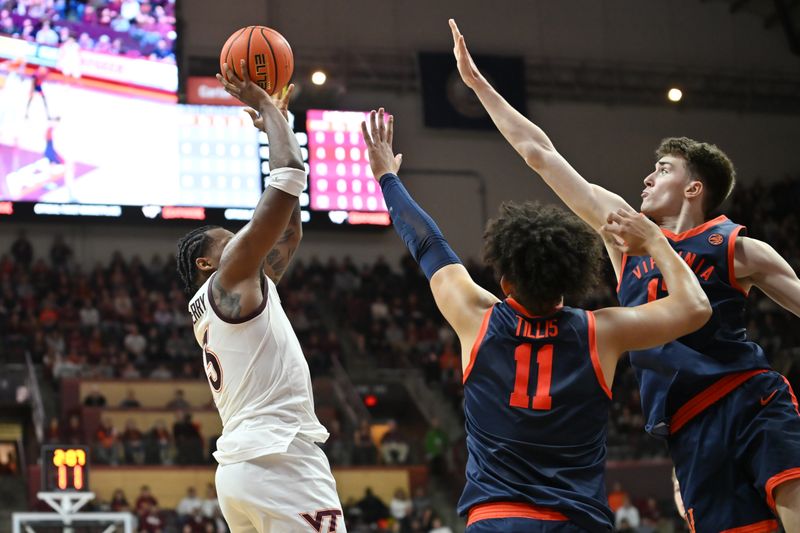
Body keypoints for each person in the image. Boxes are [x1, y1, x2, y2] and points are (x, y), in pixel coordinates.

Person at [448, 17, 800, 533]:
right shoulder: (621, 235)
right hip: (687, 425)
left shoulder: (736, 246)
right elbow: (540, 155)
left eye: (662, 168)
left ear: (693, 187)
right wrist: (479, 85)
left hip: (749, 398)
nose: (647, 176)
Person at [361, 108, 710, 531]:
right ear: (572, 278)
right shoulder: (603, 331)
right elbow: (696, 307)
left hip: (497, 519)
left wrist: (387, 178)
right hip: (575, 521)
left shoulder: (475, 318)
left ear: (506, 281)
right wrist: (655, 239)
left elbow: (427, 242)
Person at [177, 60, 342, 532]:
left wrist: (278, 125)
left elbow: (286, 231)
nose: (242, 237)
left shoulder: (232, 296)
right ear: (207, 263)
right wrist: (268, 107)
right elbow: (290, 173)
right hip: (280, 458)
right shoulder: (229, 279)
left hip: (240, 469)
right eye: (227, 238)